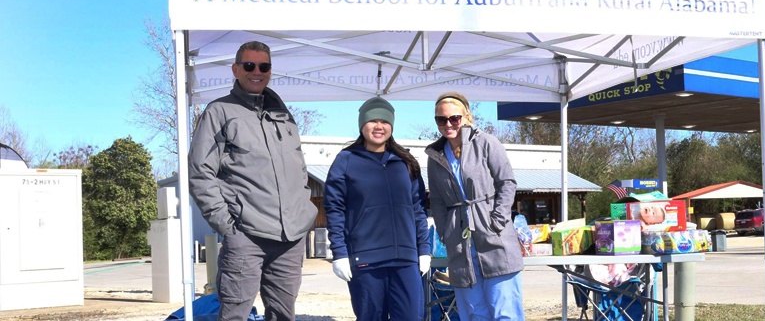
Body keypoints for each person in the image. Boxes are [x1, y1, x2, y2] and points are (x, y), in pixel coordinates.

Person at [188, 41, 318, 321]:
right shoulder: (219, 112)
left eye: (264, 66)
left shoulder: (283, 115)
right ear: (236, 69)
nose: (256, 71)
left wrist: (303, 210)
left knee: (283, 315)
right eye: (249, 65)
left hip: (290, 238)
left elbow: (300, 169)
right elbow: (200, 173)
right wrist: (228, 226)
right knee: (235, 315)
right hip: (246, 235)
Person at [323, 97, 431, 320]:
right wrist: (340, 253)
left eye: (385, 121)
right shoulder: (345, 160)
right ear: (362, 124)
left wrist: (424, 249)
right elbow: (334, 209)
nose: (379, 126)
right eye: (373, 121)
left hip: (406, 259)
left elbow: (418, 209)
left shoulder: (406, 162)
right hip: (366, 260)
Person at [425, 91, 525, 320]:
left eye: (454, 118)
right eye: (441, 119)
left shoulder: (487, 143)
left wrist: (497, 221)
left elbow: (507, 183)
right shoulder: (435, 156)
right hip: (460, 245)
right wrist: (444, 231)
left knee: (505, 313)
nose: (448, 124)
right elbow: (437, 200)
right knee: (473, 314)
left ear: (466, 116)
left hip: (495, 241)